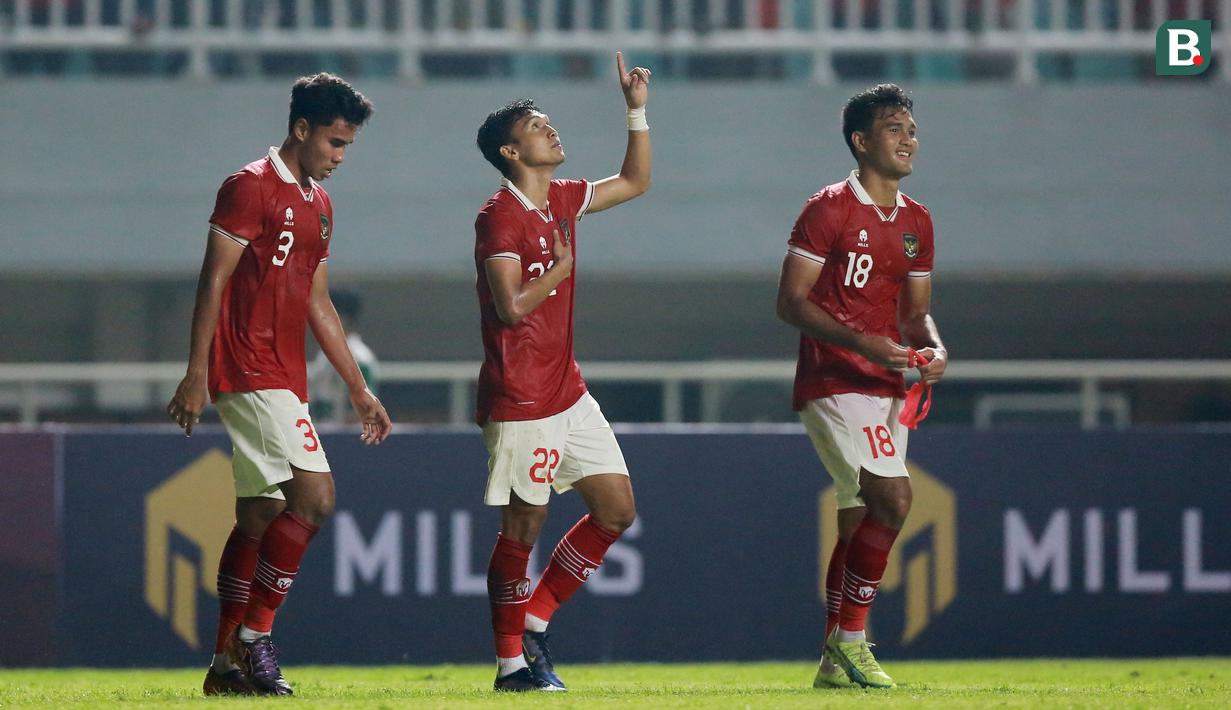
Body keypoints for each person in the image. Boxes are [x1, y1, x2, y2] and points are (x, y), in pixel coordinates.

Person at [165, 72, 392, 697]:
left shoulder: (318, 202)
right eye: (335, 143)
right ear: (301, 129)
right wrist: (194, 372)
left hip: (284, 375)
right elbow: (212, 280)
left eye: (347, 145)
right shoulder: (247, 187)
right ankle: (256, 636)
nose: (340, 157)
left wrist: (356, 387)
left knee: (262, 514)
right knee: (315, 499)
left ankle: (224, 667)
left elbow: (319, 303)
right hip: (246, 368)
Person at [472, 51, 651, 692]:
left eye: (549, 124)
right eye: (538, 128)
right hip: (520, 396)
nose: (552, 131)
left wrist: (635, 109)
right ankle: (510, 664)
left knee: (616, 509)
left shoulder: (565, 199)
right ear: (511, 152)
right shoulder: (500, 215)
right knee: (523, 526)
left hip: (566, 390)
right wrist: (558, 273)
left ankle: (537, 621)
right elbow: (510, 306)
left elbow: (634, 182)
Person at [775, 83, 948, 689]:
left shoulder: (918, 220)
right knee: (895, 500)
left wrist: (932, 345)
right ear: (861, 140)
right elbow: (790, 304)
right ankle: (853, 639)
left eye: (911, 129)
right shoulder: (828, 209)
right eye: (895, 128)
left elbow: (914, 312)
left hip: (887, 385)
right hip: (832, 377)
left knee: (857, 520)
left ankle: (832, 660)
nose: (909, 139)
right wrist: (864, 343)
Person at [308, 289, 380, 423]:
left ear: (342, 318)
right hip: (321, 433)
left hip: (345, 437)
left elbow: (362, 411)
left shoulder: (359, 356)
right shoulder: (323, 355)